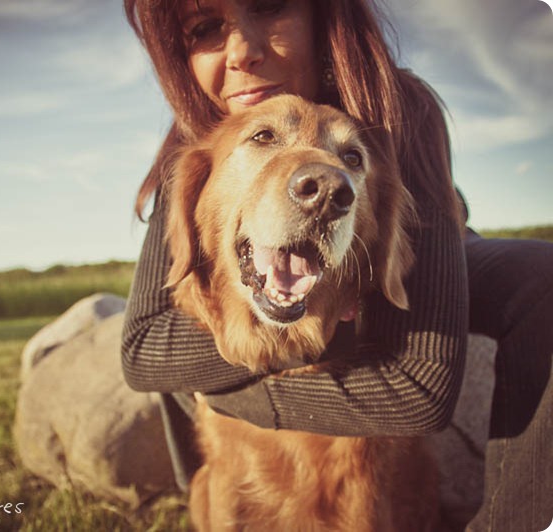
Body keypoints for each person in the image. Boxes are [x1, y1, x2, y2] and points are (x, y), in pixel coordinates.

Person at [119, 0, 553, 531]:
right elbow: (143, 348)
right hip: (288, 317)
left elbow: (419, 391)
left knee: (545, 275)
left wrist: (234, 392)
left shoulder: (397, 106)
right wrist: (264, 363)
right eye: (207, 28)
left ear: (321, 14)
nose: (242, 52)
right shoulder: (199, 135)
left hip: (430, 255)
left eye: (270, 8)